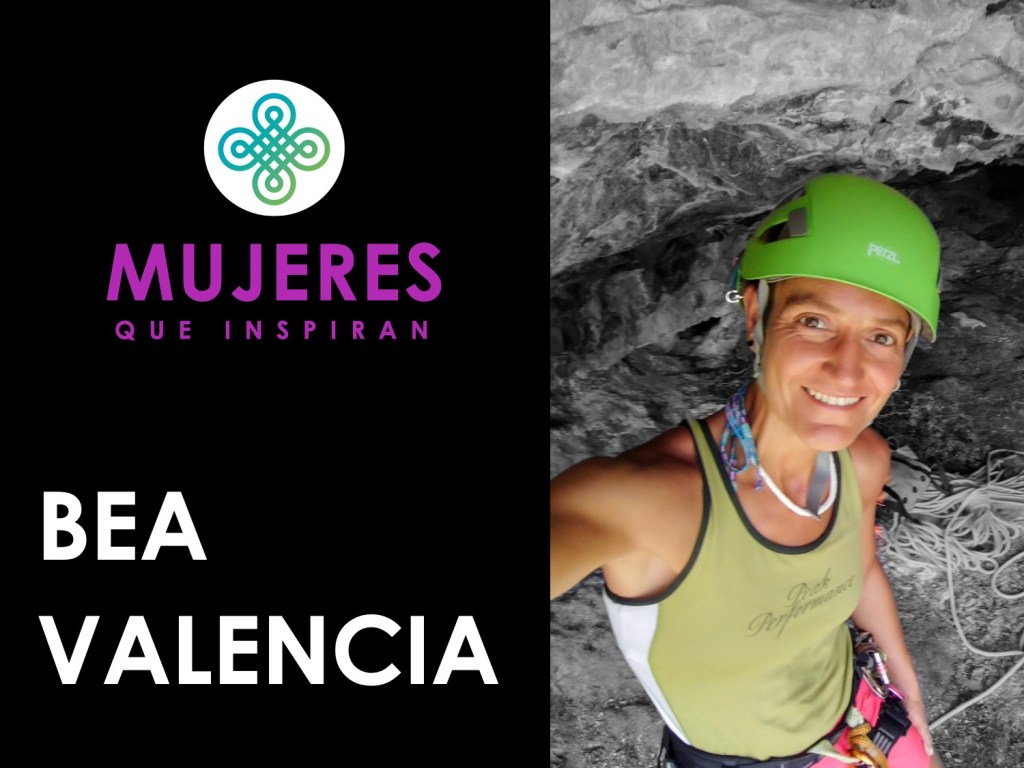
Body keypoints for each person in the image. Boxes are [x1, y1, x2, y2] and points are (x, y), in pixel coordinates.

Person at [550, 173, 945, 768]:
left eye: (882, 337)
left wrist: (906, 689)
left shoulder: (865, 461)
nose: (846, 370)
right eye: (814, 322)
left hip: (865, 724)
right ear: (756, 313)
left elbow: (859, 564)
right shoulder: (642, 501)